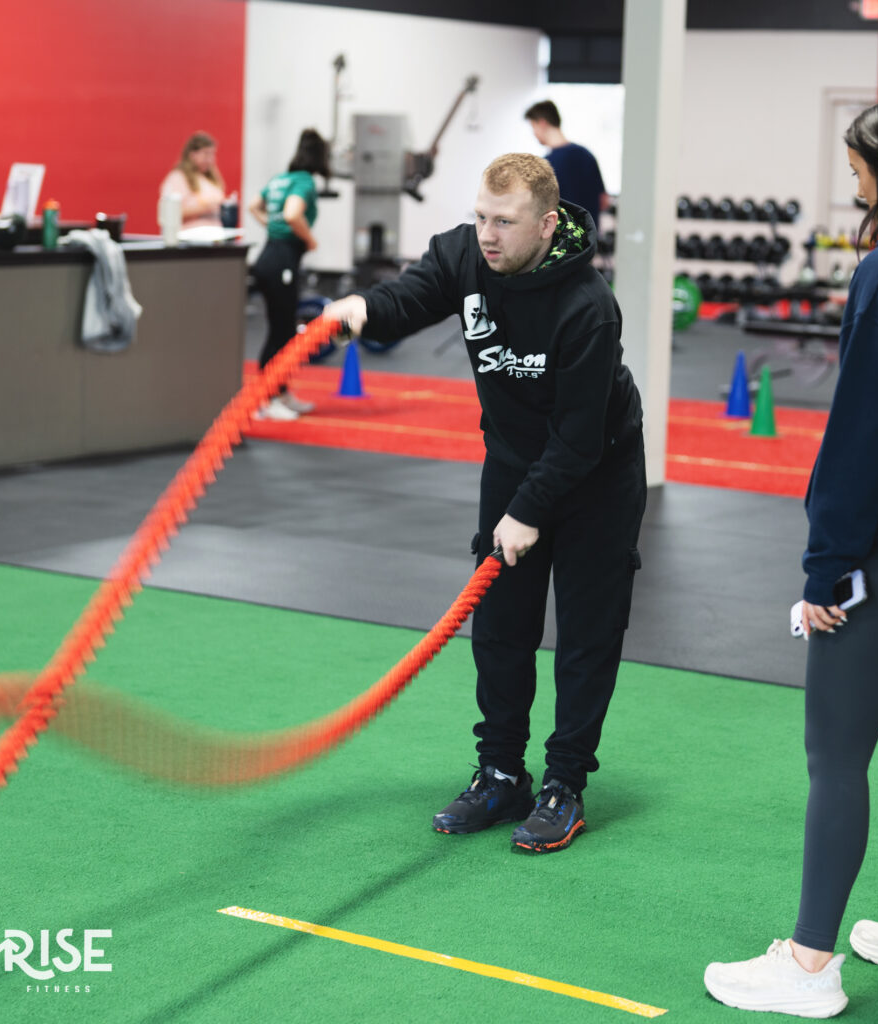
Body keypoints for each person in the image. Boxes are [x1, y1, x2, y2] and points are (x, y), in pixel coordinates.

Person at [705, 93, 878, 1018]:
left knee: (837, 756)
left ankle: (810, 967)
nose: (849, 177)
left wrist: (827, 572)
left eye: (857, 163)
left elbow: (861, 436)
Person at [324, 153, 645, 853]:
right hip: (511, 459)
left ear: (546, 224)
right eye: (480, 218)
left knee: (588, 632)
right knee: (501, 625)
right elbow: (409, 296)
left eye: (505, 222)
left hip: (596, 470)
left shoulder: (587, 307)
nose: (488, 235)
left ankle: (564, 784)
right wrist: (361, 308)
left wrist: (529, 510)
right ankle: (501, 772)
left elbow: (579, 438)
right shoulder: (464, 257)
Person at [247, 129, 329, 421]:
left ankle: (279, 392)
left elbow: (253, 205)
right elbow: (294, 214)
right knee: (280, 332)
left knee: (282, 331)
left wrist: (272, 226)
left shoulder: (280, 179)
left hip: (269, 257)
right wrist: (310, 240)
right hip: (281, 260)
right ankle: (265, 400)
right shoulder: (304, 181)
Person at [524, 100, 607, 230]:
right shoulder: (586, 155)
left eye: (533, 127)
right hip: (588, 241)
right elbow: (604, 201)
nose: (534, 133)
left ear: (542, 123)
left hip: (561, 243)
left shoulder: (544, 166)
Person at [159, 131, 226, 229]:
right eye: (206, 154)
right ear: (192, 154)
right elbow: (170, 212)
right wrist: (205, 208)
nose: (210, 159)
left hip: (215, 235)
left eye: (212, 154)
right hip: (190, 236)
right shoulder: (178, 178)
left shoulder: (210, 178)